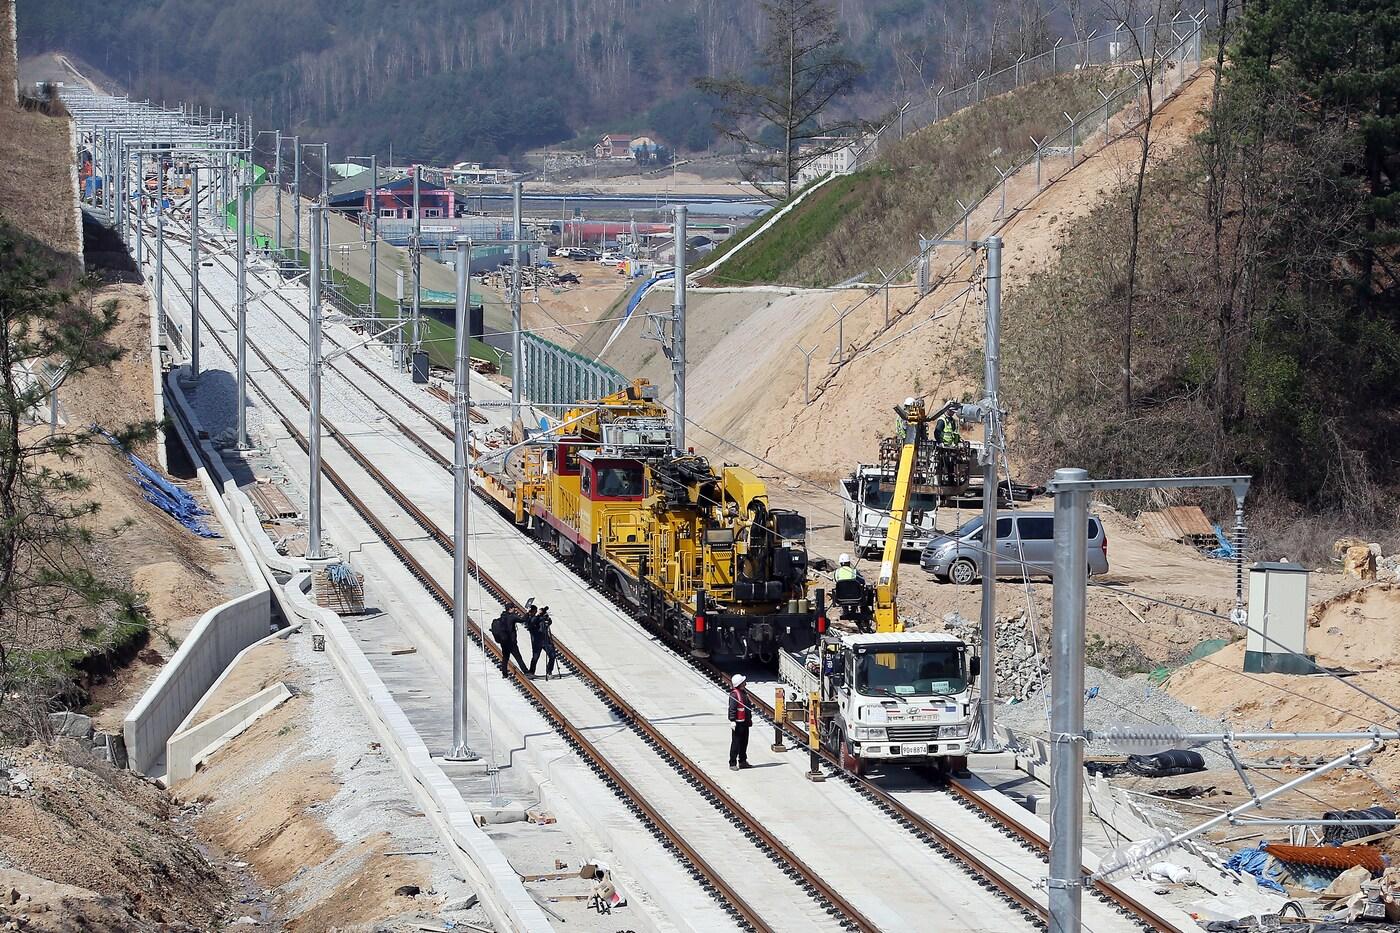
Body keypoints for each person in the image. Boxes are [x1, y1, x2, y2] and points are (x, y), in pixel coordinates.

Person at [492, 606, 528, 678]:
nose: (514, 609)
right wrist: (527, 612)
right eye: (513, 608)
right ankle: (526, 672)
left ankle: (504, 674)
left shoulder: (502, 616)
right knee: (518, 657)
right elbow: (523, 619)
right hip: (511, 641)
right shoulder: (512, 616)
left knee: (505, 658)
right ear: (510, 609)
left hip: (503, 641)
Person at [728, 674, 753, 770]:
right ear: (740, 683)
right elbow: (732, 708)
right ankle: (732, 763)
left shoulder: (743, 692)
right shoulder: (735, 694)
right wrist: (732, 720)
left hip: (745, 722)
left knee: (744, 743)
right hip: (738, 723)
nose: (745, 682)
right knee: (736, 743)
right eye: (743, 681)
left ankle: (743, 761)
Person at [527, 606, 559, 679]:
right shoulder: (530, 618)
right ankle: (531, 672)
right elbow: (532, 622)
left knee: (552, 655)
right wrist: (538, 615)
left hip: (545, 640)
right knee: (535, 657)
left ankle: (549, 671)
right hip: (536, 641)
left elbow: (549, 622)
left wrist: (546, 617)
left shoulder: (542, 618)